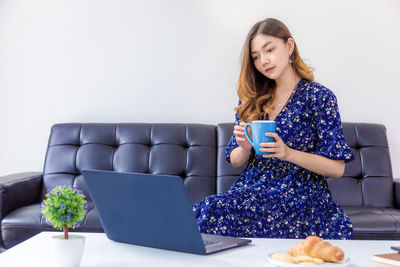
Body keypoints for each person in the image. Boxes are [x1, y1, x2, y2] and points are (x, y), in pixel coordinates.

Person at [193, 18, 354, 239]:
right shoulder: (251, 98)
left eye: (270, 50)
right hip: (254, 189)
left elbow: (337, 168)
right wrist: (244, 146)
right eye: (256, 56)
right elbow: (236, 159)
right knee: (207, 209)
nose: (264, 61)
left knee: (214, 210)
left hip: (301, 193)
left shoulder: (319, 97)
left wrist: (288, 153)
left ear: (289, 47)